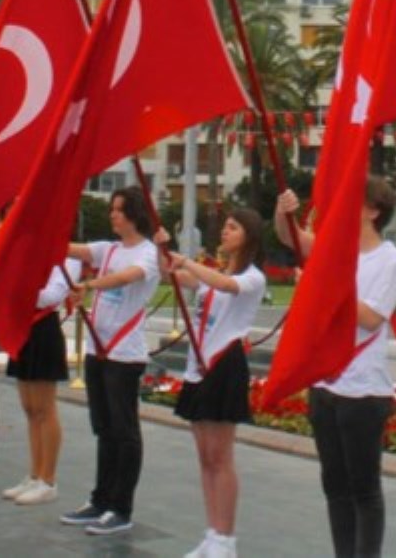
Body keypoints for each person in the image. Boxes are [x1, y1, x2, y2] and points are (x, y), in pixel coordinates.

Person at [274, 177, 396, 558]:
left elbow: (369, 318)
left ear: (373, 210)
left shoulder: (390, 259)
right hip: (327, 384)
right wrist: (283, 212)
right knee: (334, 486)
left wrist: (324, 281)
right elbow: (292, 238)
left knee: (364, 488)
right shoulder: (335, 250)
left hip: (364, 389)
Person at [156, 208, 268, 558]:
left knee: (221, 456)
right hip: (198, 366)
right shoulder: (216, 271)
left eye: (233, 228)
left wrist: (186, 262)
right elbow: (177, 277)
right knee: (205, 456)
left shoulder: (253, 278)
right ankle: (212, 531)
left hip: (223, 365)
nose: (225, 232)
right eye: (225, 227)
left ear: (248, 236)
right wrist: (164, 251)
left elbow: (224, 286)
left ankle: (226, 539)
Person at [58, 186, 161, 537]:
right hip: (97, 351)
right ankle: (100, 499)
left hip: (124, 354)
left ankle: (121, 507)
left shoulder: (147, 254)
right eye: (113, 209)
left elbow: (127, 277)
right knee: (103, 428)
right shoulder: (108, 248)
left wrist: (92, 284)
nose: (113, 215)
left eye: (119, 210)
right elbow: (76, 250)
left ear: (133, 214)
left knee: (124, 431)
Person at [0, 257, 82, 504]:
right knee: (30, 409)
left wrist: (17, 288)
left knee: (45, 409)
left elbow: (49, 297)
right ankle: (34, 474)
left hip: (44, 330)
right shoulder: (32, 257)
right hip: (23, 326)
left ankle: (48, 479)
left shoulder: (68, 260)